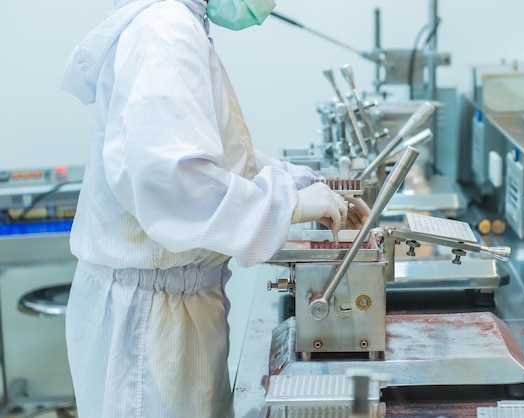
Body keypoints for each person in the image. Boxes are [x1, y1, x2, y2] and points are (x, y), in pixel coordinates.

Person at [60, 0, 369, 417]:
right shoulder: (165, 30)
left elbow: (215, 157)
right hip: (151, 326)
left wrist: (306, 184)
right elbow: (174, 184)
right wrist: (289, 203)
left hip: (168, 308)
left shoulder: (177, 25)